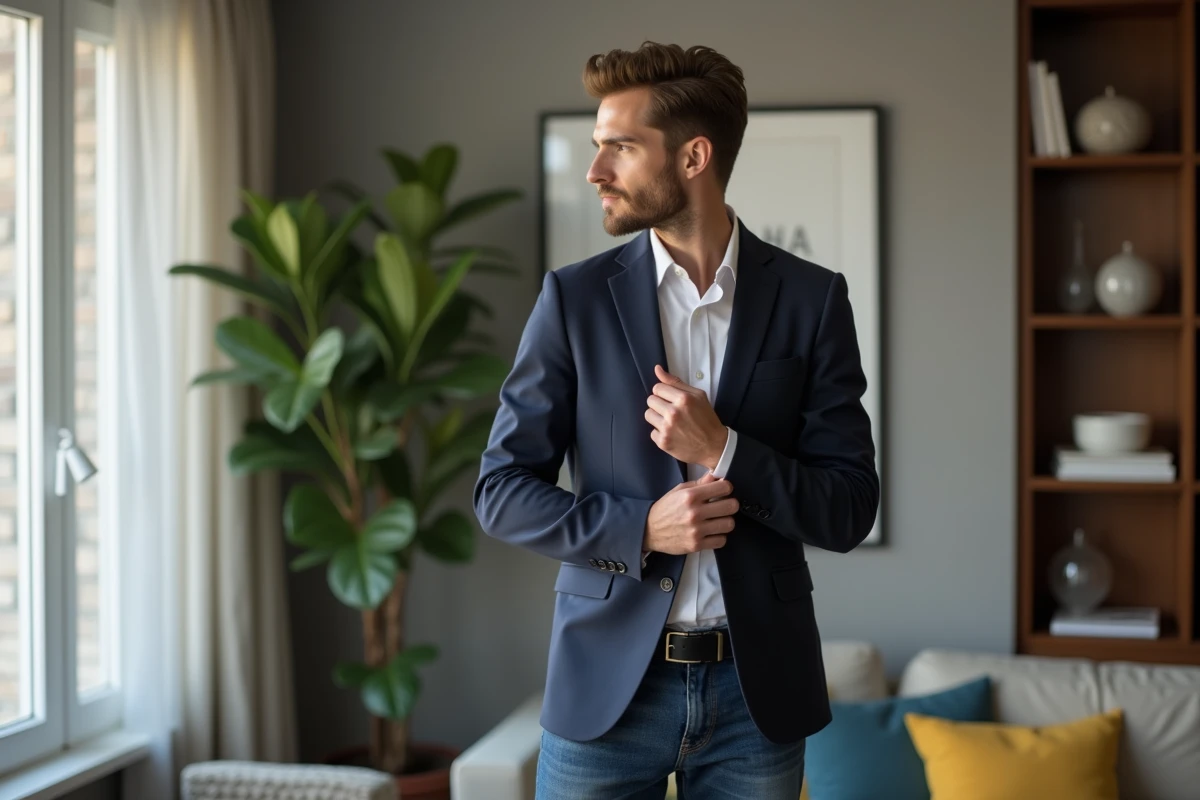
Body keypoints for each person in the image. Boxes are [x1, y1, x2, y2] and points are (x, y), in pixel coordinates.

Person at [473, 40, 879, 800]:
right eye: (597, 147)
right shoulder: (574, 301)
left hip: (756, 699)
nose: (596, 171)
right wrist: (641, 530)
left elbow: (850, 508)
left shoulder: (812, 298)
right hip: (606, 692)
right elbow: (500, 491)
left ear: (694, 157)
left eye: (620, 148)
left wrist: (725, 449)